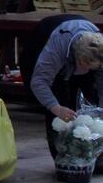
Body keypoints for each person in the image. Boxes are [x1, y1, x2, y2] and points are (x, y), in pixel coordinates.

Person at [20, 13, 103, 155]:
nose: (88, 70)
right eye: (86, 65)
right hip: (44, 40)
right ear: (78, 58)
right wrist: (56, 108)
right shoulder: (57, 47)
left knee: (91, 104)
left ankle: (94, 154)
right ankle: (63, 156)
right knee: (59, 106)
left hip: (81, 52)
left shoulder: (100, 50)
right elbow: (39, 81)